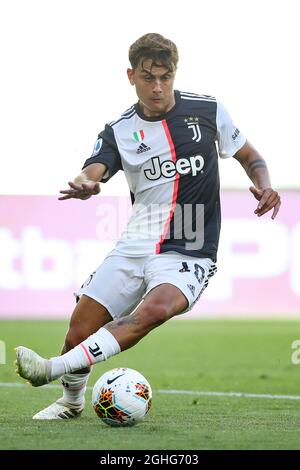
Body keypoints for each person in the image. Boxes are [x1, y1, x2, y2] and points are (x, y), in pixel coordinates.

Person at [15, 33, 281, 420]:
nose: (158, 87)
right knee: (78, 330)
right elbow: (95, 168)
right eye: (148, 77)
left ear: (174, 74)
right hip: (137, 242)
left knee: (156, 309)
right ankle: (70, 403)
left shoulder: (208, 111)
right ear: (131, 76)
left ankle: (50, 369)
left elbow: (250, 155)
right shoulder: (119, 129)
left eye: (165, 77)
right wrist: (89, 182)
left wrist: (266, 183)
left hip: (190, 245)